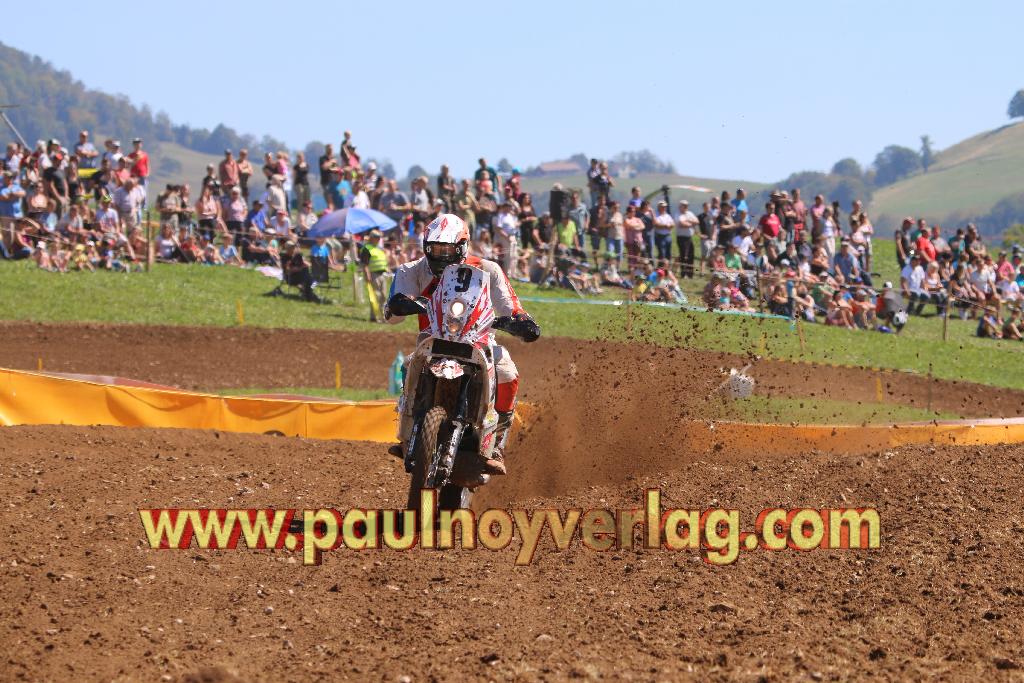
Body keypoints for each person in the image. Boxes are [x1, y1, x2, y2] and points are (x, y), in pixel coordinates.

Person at [384, 214, 540, 481]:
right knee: (410, 364)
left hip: (479, 340)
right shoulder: (411, 270)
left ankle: (497, 443)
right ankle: (408, 431)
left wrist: (520, 321)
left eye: (447, 250)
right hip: (432, 339)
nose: (441, 256)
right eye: (435, 249)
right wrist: (403, 303)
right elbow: (392, 314)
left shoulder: (488, 269)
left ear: (462, 246)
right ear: (426, 247)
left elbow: (511, 306)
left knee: (507, 372)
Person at [359, 229, 390, 322]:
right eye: (377, 237)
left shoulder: (379, 248)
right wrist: (367, 275)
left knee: (383, 296)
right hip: (373, 274)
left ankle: (383, 316)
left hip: (382, 274)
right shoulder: (366, 249)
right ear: (371, 238)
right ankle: (374, 317)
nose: (378, 239)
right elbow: (364, 264)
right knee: (376, 296)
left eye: (379, 237)